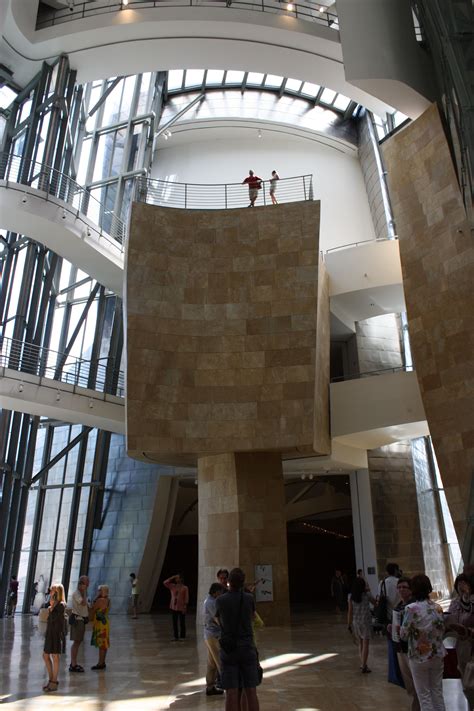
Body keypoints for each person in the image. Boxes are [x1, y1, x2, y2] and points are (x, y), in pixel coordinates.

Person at [215, 567, 260, 711]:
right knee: (251, 691)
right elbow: (253, 617)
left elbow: (218, 619)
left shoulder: (221, 600)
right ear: (243, 582)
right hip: (247, 646)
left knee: (231, 692)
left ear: (229, 582)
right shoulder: (249, 598)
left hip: (229, 648)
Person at [400, 574, 446, 711]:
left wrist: (397, 629)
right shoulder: (438, 607)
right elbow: (441, 629)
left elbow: (403, 635)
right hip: (437, 654)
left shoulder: (411, 609)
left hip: (418, 656)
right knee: (437, 693)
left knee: (424, 696)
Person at [387, 577, 420, 711]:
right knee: (409, 682)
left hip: (411, 648)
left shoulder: (413, 605)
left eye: (404, 587)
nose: (401, 590)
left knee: (416, 681)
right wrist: (391, 627)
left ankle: (417, 707)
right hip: (400, 647)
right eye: (399, 587)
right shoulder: (399, 605)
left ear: (410, 589)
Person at [447, 573, 474, 676]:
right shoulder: (454, 602)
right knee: (463, 669)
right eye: (459, 584)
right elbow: (451, 618)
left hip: (471, 639)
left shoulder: (472, 600)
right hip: (460, 642)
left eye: (464, 583)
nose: (461, 586)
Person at [347, 576, 375, 673]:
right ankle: (364, 665)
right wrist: (369, 589)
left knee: (361, 643)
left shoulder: (351, 596)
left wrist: (349, 624)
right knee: (366, 643)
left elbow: (350, 612)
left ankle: (362, 663)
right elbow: (375, 603)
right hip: (366, 622)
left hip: (356, 622)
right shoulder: (366, 595)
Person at [42, 583, 66, 693]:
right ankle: (51, 679)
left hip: (56, 633)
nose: (51, 592)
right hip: (50, 633)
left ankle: (54, 681)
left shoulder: (61, 605)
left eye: (53, 591)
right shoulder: (53, 604)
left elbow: (53, 618)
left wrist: (52, 607)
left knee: (55, 656)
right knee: (46, 655)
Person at [203, 582, 225, 696]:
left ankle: (210, 687)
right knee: (220, 661)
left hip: (210, 634)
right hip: (213, 635)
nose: (222, 594)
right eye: (221, 592)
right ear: (216, 592)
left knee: (211, 663)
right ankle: (229, 686)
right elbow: (218, 619)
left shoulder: (210, 600)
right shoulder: (211, 602)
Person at [69, 575, 89, 673]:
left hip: (82, 620)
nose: (88, 585)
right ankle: (73, 664)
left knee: (78, 642)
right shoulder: (77, 594)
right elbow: (83, 603)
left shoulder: (81, 594)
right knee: (76, 642)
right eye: (86, 583)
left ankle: (74, 663)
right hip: (77, 620)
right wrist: (84, 592)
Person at [164, 573, 189, 640]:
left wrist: (185, 606)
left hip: (181, 607)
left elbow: (186, 598)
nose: (176, 579)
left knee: (182, 622)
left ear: (181, 579)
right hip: (173, 607)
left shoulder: (185, 587)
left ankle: (182, 636)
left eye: (177, 578)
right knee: (174, 622)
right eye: (176, 578)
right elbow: (165, 582)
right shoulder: (172, 586)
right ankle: (176, 636)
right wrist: (172, 577)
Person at [90, 584, 110, 670]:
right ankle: (103, 661)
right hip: (105, 623)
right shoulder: (108, 600)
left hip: (100, 624)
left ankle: (100, 663)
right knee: (104, 644)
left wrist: (95, 598)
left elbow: (92, 609)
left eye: (99, 590)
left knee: (101, 644)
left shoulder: (100, 600)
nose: (98, 592)